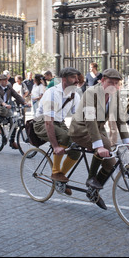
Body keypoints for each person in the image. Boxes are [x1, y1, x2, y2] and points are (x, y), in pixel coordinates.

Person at [69, 68, 129, 209]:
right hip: (81, 130)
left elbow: (120, 119)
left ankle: (92, 192)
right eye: (111, 82)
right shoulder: (91, 93)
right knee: (105, 144)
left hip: (97, 130)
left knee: (110, 164)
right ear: (102, 80)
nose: (114, 86)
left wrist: (127, 142)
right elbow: (90, 119)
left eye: (117, 83)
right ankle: (91, 178)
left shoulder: (115, 95)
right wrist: (98, 145)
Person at [33, 67, 82, 195]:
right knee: (65, 137)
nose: (77, 80)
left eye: (77, 77)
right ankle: (55, 172)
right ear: (64, 79)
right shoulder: (52, 93)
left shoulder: (74, 95)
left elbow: (79, 118)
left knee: (77, 149)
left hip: (60, 123)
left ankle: (60, 178)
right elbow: (48, 122)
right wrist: (55, 146)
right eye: (73, 78)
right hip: (41, 122)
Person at [0, 74, 26, 149]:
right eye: (3, 80)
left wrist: (24, 102)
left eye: (6, 80)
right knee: (3, 108)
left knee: (14, 121)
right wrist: (4, 104)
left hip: (4, 107)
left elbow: (16, 95)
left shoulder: (9, 87)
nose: (5, 82)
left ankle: (12, 141)